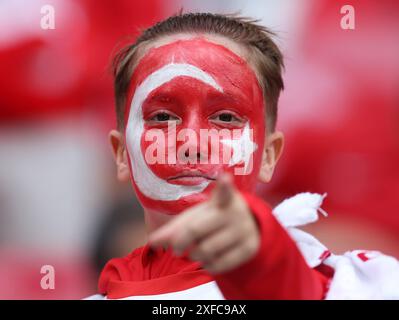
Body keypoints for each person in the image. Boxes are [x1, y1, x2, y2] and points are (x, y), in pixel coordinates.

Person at [87, 12, 399, 300]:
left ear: (268, 155)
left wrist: (265, 254)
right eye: (163, 117)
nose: (192, 143)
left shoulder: (357, 284)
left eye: (224, 118)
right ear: (121, 154)